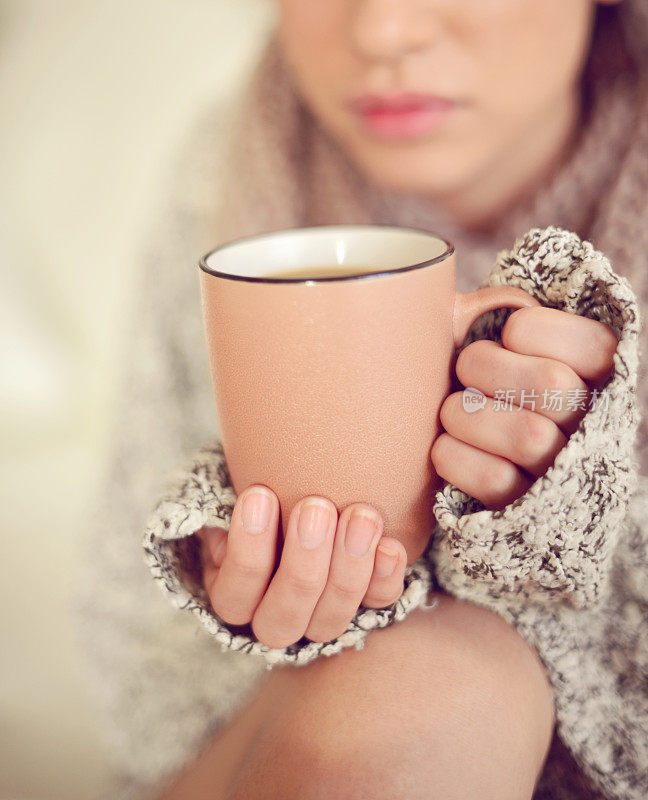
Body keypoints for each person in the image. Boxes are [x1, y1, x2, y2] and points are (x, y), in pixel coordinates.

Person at [73, 1, 648, 798]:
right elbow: (140, 678)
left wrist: (563, 528)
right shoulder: (228, 168)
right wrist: (220, 560)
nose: (382, 31)